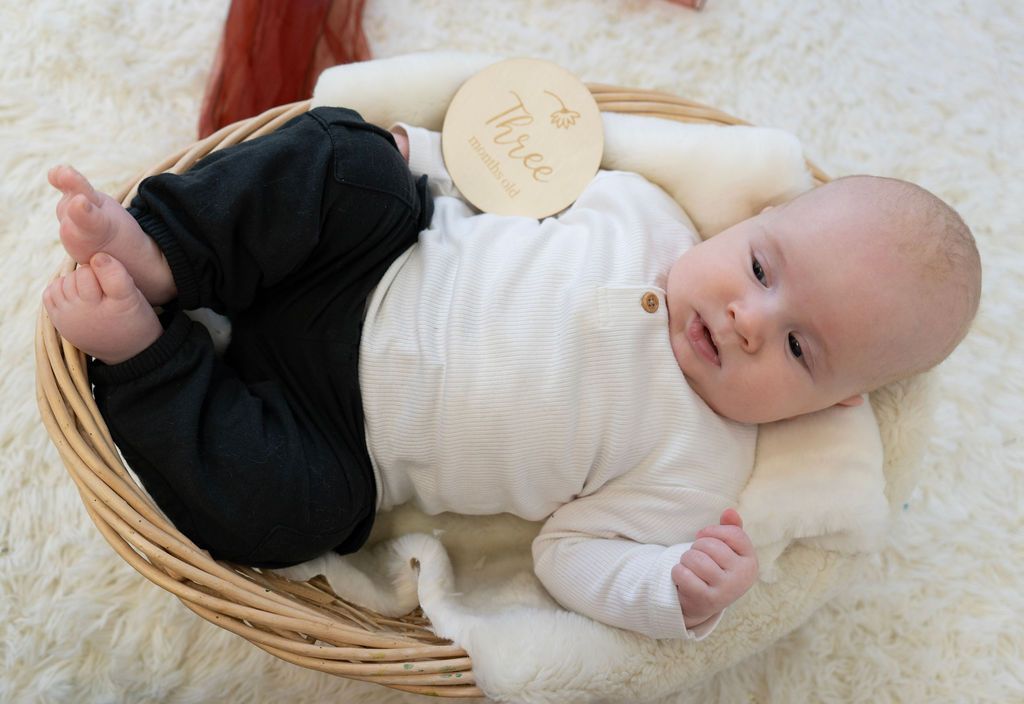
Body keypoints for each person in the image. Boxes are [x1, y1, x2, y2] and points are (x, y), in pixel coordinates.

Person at [41, 107, 981, 640]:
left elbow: (570, 558)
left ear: (837, 401)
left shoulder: (699, 467)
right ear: (747, 224)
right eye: (764, 269)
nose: (746, 319)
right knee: (349, 159)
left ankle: (144, 356)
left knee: (287, 520)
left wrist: (674, 593)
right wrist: (429, 154)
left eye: (798, 348)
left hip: (338, 436)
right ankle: (166, 252)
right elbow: (512, 177)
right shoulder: (644, 209)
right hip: (371, 261)